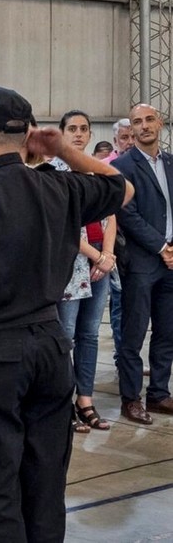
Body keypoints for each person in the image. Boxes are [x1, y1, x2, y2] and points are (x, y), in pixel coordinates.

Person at [0, 85, 131, 541]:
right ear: (27, 137)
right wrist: (63, 151)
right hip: (51, 350)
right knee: (43, 485)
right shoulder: (58, 186)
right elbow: (121, 187)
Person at [53, 110, 116, 433]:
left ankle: (86, 399)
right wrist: (95, 256)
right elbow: (64, 225)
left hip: (100, 264)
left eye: (84, 129)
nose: (78, 134)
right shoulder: (56, 173)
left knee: (90, 334)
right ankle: (62, 404)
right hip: (72, 266)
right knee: (66, 336)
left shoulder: (97, 170)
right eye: (72, 129)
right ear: (62, 134)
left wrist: (107, 254)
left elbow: (111, 213)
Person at [112, 103, 173, 424]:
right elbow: (127, 214)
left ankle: (160, 393)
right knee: (133, 335)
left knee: (167, 332)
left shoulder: (171, 163)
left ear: (160, 123)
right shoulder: (123, 166)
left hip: (171, 263)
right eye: (138, 122)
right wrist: (161, 246)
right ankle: (131, 399)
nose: (144, 126)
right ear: (131, 130)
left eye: (150, 119)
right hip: (140, 263)